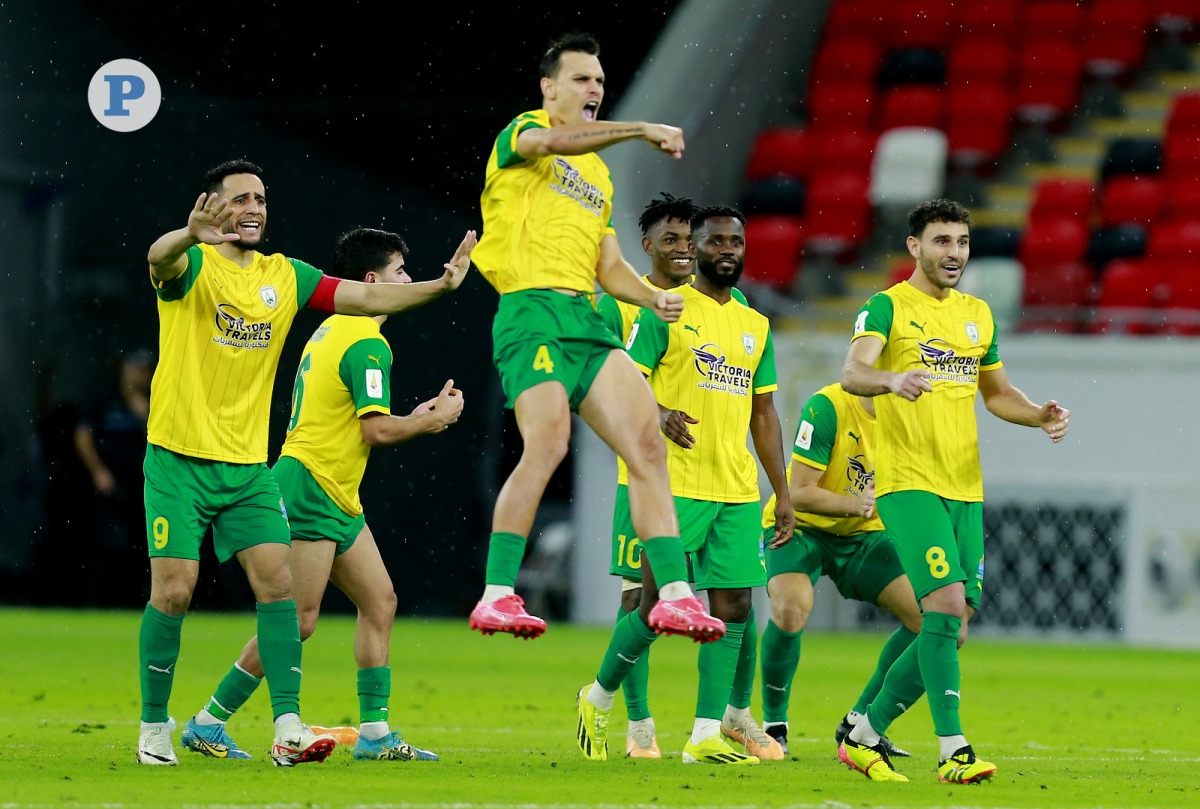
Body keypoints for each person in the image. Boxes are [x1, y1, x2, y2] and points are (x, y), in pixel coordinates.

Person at [137, 159, 475, 767]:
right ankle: (178, 725)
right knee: (189, 594)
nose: (254, 209)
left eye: (261, 199)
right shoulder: (194, 264)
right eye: (239, 199)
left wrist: (443, 287)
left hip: (256, 468)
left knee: (344, 599)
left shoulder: (289, 280)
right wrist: (188, 233)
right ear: (212, 206)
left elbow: (367, 294)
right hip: (219, 464)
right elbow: (159, 259)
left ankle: (320, 729)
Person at [467, 32, 723, 643]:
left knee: (647, 448)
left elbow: (607, 267)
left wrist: (650, 295)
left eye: (600, 82)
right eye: (582, 79)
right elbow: (552, 140)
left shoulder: (599, 178)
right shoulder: (523, 135)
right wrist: (639, 128)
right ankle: (497, 593)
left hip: (586, 320)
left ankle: (676, 596)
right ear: (549, 88)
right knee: (548, 443)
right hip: (532, 312)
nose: (594, 90)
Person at [837, 199, 1069, 784]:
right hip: (907, 482)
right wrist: (892, 379)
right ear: (914, 246)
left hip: (964, 487)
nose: (954, 253)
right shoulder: (887, 306)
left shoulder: (977, 315)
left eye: (962, 243)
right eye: (941, 241)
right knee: (940, 608)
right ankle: (953, 749)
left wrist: (1037, 414)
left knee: (953, 625)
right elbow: (852, 372)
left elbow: (997, 394)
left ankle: (863, 732)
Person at [576, 205, 794, 765]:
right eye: (715, 241)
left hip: (738, 490)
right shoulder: (663, 312)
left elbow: (763, 413)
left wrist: (782, 491)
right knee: (652, 605)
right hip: (671, 487)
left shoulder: (755, 323)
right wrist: (660, 409)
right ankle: (601, 699)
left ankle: (704, 735)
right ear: (693, 251)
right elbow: (621, 384)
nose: (728, 250)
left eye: (736, 242)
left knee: (735, 607)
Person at [757, 381, 922, 759]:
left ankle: (858, 722)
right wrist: (856, 504)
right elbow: (797, 490)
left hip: (863, 536)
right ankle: (774, 725)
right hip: (800, 527)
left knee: (929, 616)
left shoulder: (916, 420)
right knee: (790, 607)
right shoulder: (826, 407)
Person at [73, 348, 155, 607]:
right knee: (105, 545)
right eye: (136, 369)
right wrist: (97, 470)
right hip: (111, 484)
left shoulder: (157, 401)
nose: (140, 375)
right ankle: (95, 602)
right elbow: (82, 434)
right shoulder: (105, 400)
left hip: (144, 486)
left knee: (144, 546)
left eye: (145, 370)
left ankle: (142, 601)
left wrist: (144, 413)